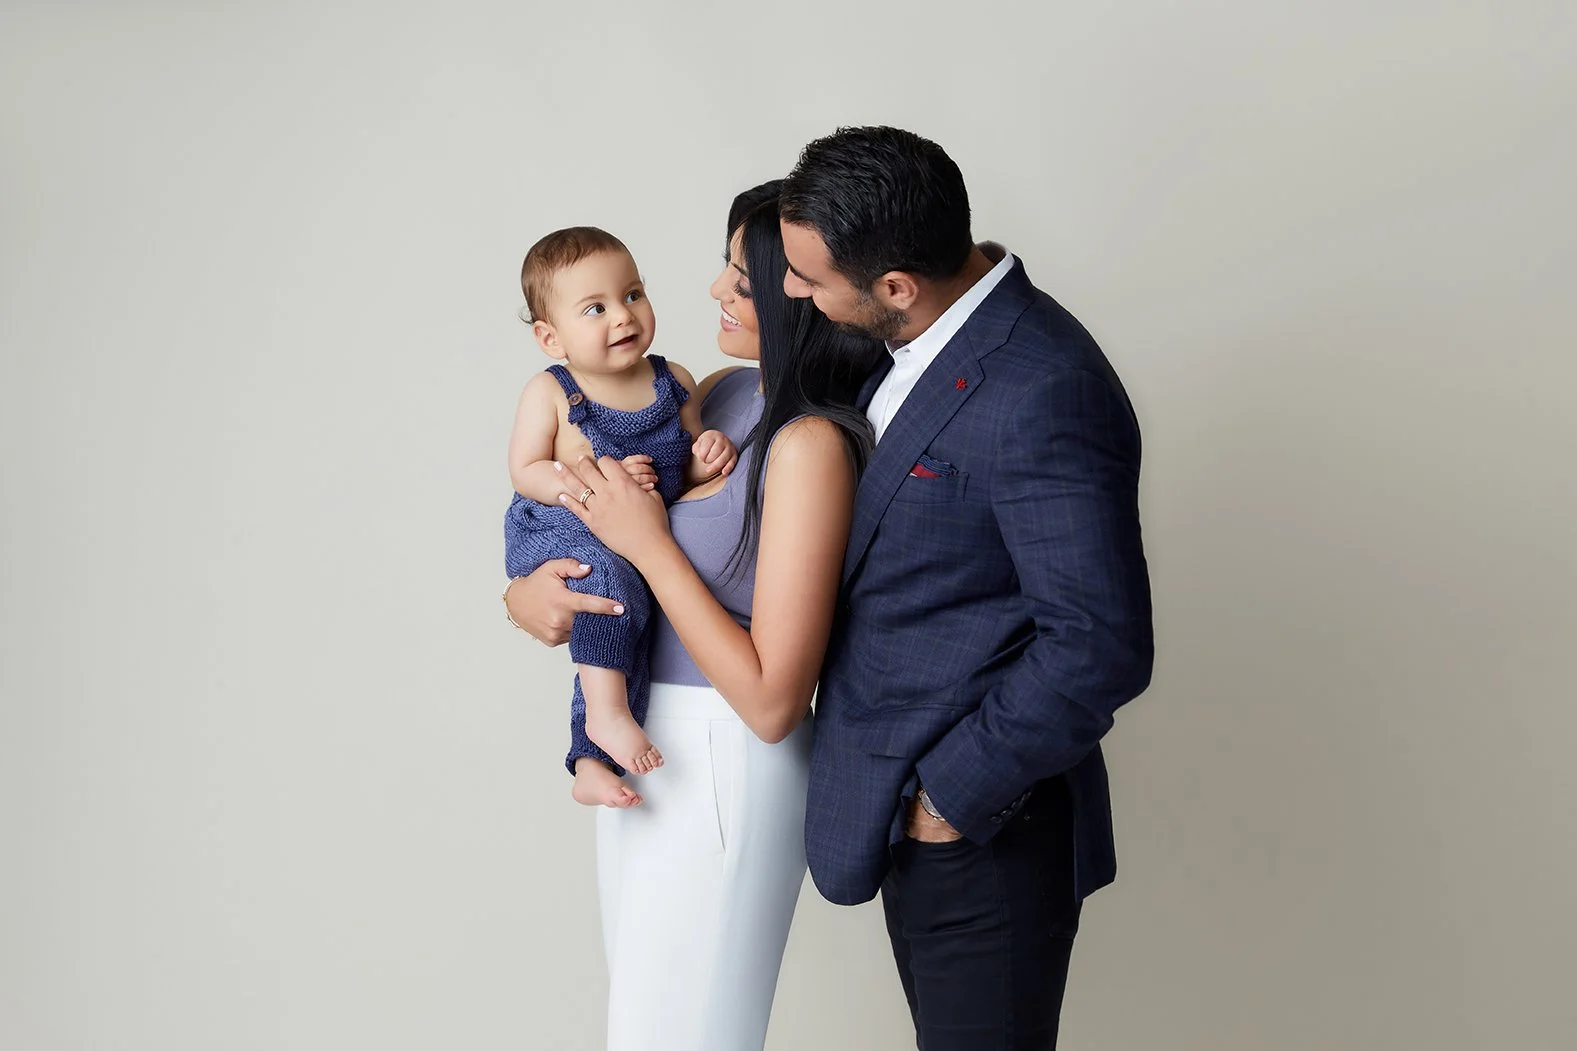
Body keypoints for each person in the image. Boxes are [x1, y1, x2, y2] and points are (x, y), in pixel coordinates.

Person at [775, 126, 1155, 1050]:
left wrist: (945, 799)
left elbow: (1098, 643)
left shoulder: (1043, 387)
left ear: (895, 287)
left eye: (810, 278)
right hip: (900, 810)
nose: (790, 291)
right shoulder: (903, 339)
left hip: (985, 833)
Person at [504, 183, 886, 1050]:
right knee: (642, 1027)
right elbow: (583, 521)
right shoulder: (713, 392)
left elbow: (773, 701)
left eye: (740, 279)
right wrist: (524, 596)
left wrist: (644, 542)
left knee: (687, 1032)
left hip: (724, 750)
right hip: (643, 732)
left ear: (803, 297)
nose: (714, 290)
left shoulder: (811, 444)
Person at [503, 226, 738, 808]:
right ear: (550, 337)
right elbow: (525, 469)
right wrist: (585, 483)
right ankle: (606, 716)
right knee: (605, 588)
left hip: (630, 535)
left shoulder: (674, 381)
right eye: (595, 309)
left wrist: (707, 458)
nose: (623, 316)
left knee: (626, 623)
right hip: (562, 523)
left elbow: (685, 466)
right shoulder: (552, 392)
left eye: (633, 294)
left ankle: (589, 762)